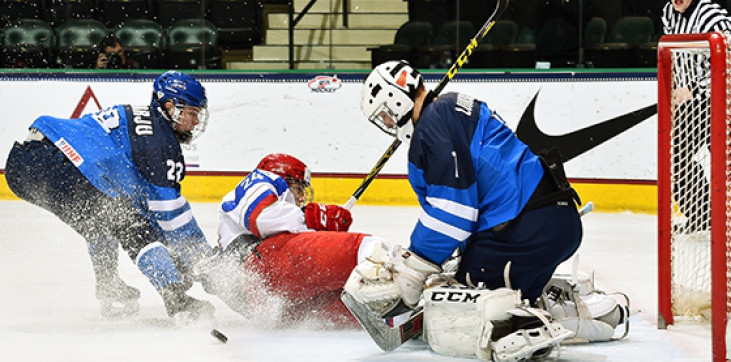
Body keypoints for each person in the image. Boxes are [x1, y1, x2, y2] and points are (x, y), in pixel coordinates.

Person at [341, 60, 591, 357]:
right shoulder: (451, 105)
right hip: (553, 218)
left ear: (395, 98)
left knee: (455, 306)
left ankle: (524, 325)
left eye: (385, 115)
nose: (389, 124)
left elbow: (454, 213)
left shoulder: (431, 128)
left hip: (524, 232)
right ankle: (585, 313)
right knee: (474, 281)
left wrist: (413, 267)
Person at [5, 71, 215, 322]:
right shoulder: (160, 142)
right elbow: (172, 217)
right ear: (169, 106)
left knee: (105, 218)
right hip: (58, 160)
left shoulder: (142, 126)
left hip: (23, 165)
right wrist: (205, 260)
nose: (194, 122)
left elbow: (141, 211)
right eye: (191, 113)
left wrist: (171, 256)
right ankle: (176, 299)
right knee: (128, 224)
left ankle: (108, 285)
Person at [196, 153, 392, 326]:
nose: (300, 199)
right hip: (261, 270)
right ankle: (403, 270)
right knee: (366, 250)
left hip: (271, 301)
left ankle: (388, 315)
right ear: (284, 179)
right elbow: (261, 217)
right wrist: (312, 217)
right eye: (298, 190)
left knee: (351, 297)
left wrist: (315, 225)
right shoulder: (263, 179)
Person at [661, 0, 731, 232]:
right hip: (692, 105)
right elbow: (673, 55)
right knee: (678, 159)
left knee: (725, 160)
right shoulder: (669, 12)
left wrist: (694, 87)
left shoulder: (713, 15)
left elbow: (727, 59)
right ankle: (702, 216)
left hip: (722, 99)